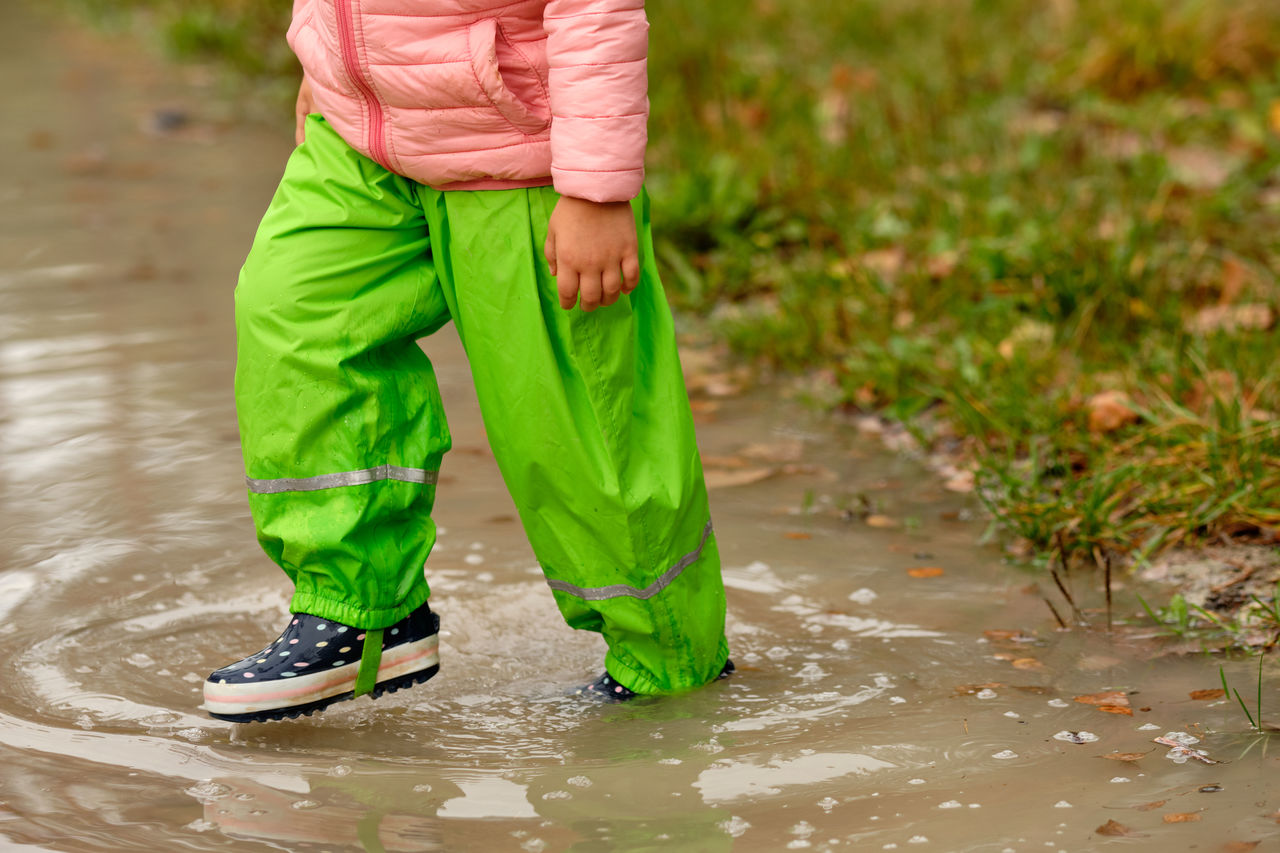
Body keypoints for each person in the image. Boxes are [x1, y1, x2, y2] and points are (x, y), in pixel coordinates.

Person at [202, 0, 731, 723]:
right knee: (292, 314)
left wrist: (594, 188)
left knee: (570, 420)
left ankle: (667, 657)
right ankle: (363, 611)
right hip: (361, 138)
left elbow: (595, 11)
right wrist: (321, 64)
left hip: (517, 150)